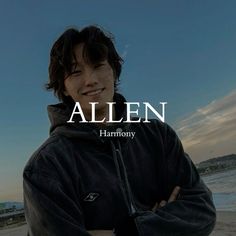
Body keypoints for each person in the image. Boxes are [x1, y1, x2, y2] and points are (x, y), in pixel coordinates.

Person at [23, 25, 216, 236]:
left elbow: (202, 211)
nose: (91, 80)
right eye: (76, 71)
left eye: (98, 65)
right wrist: (166, 223)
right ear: (63, 85)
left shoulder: (158, 136)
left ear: (114, 70)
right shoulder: (46, 167)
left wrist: (131, 231)